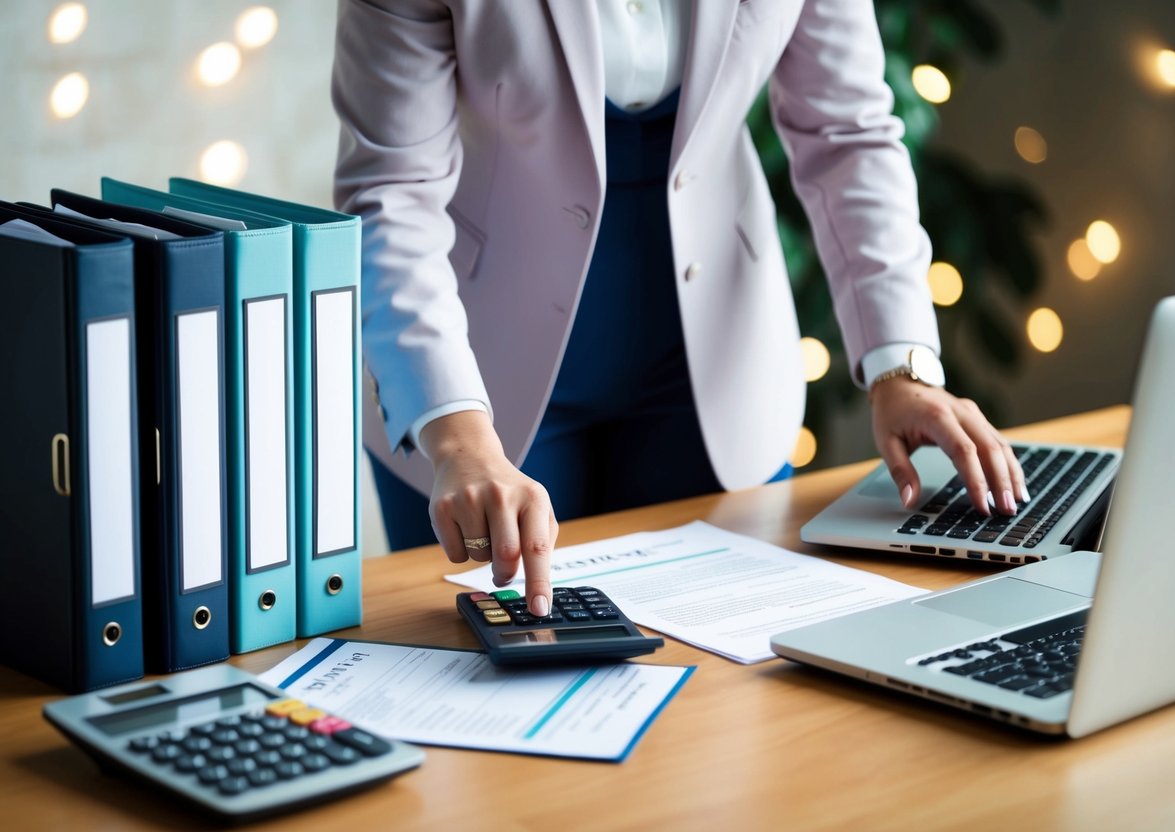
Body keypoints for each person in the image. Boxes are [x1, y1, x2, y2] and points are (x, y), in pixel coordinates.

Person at [332, 0, 1028, 619]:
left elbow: (846, 134)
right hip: (473, 377)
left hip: (714, 369)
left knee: (723, 721)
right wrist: (456, 441)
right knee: (488, 708)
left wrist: (899, 367)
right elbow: (391, 196)